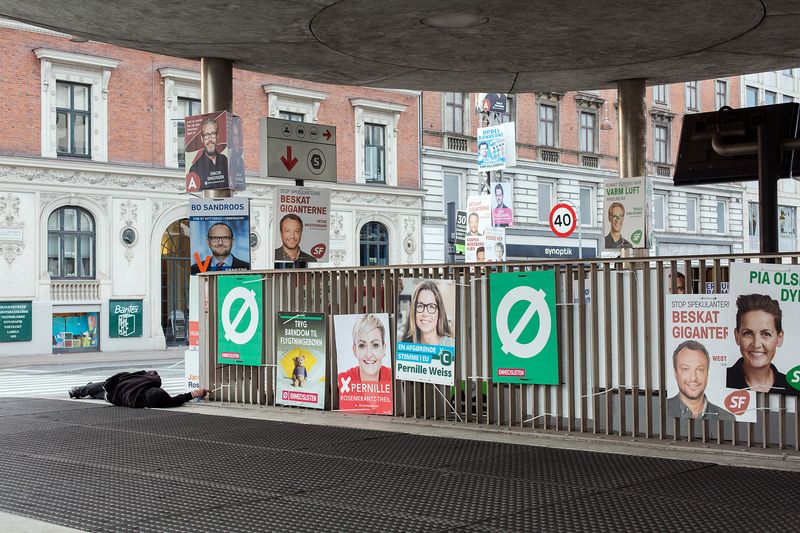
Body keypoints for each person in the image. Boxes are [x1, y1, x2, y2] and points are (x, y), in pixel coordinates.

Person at [727, 294, 798, 395]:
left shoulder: (793, 388)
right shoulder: (720, 380)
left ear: (779, 338)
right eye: (748, 333)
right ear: (737, 336)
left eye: (766, 334)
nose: (756, 344)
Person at [667, 340, 735, 421]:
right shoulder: (660, 411)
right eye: (685, 369)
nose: (693, 378)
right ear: (675, 373)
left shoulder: (727, 418)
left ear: (707, 372)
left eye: (700, 370)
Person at [68, 370, 209, 408]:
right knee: (101, 392)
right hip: (114, 393)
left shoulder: (147, 383)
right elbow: (174, 400)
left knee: (101, 388)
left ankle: (83, 389)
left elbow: (152, 374)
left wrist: (193, 393)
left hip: (115, 387)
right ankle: (84, 390)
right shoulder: (137, 402)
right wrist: (191, 394)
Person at [338, 314, 391, 383]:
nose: (369, 355)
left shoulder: (393, 378)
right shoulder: (344, 380)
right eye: (362, 345)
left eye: (375, 345)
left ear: (384, 349)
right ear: (354, 350)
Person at [400, 281, 455, 346]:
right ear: (413, 311)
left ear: (439, 313)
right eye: (420, 306)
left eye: (431, 306)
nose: (425, 313)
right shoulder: (406, 346)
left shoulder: (450, 345)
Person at [189, 117, 228, 188]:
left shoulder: (225, 161)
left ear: (217, 136)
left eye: (213, 134)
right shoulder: (194, 169)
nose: (210, 139)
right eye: (206, 135)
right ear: (202, 139)